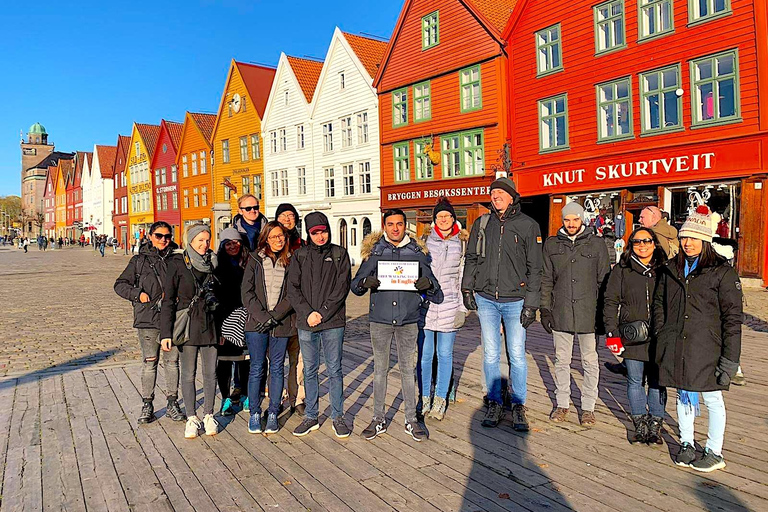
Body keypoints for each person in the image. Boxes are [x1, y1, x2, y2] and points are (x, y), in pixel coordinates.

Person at [653, 205, 742, 472]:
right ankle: (687, 442)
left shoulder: (722, 272)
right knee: (683, 394)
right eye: (684, 237)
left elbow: (732, 319)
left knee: (712, 399)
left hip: (708, 346)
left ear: (705, 240)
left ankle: (714, 450)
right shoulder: (671, 269)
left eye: (693, 238)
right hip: (677, 343)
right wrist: (663, 330)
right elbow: (659, 303)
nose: (688, 243)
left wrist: (730, 359)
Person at [461, 177, 542, 431]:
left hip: (516, 300)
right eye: (493, 193)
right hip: (486, 299)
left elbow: (535, 268)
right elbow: (471, 257)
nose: (495, 196)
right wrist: (467, 287)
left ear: (511, 196)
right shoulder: (482, 223)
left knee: (516, 354)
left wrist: (532, 303)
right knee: (491, 354)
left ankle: (518, 405)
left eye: (500, 193)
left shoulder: (528, 225)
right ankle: (495, 401)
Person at [352, 209, 440, 441]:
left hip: (408, 321)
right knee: (380, 370)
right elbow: (355, 286)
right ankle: (378, 418)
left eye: (399, 224)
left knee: (407, 371)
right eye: (390, 224)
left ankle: (411, 419)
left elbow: (436, 291)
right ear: (385, 226)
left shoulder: (417, 253)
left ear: (405, 225)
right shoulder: (375, 252)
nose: (395, 228)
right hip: (380, 320)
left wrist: (427, 284)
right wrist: (364, 281)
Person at [540, 202, 610, 427]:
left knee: (590, 361)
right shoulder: (552, 245)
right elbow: (546, 279)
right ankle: (562, 403)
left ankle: (588, 406)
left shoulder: (597, 244)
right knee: (562, 360)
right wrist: (545, 309)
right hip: (560, 311)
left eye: (575, 219)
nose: (571, 224)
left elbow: (604, 281)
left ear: (582, 220)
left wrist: (603, 314)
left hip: (588, 312)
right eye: (567, 219)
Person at [287, 212, 352, 438]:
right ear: (309, 233)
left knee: (334, 369)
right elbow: (292, 288)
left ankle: (338, 416)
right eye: (315, 233)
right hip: (307, 322)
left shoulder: (338, 254)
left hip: (332, 321)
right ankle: (311, 415)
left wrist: (322, 313)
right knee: (310, 370)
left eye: (323, 231)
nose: (320, 236)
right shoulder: (300, 256)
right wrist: (307, 313)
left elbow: (342, 288)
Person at [114, 221, 185, 424]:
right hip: (148, 319)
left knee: (172, 362)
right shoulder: (139, 261)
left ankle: (172, 402)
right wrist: (138, 294)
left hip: (172, 318)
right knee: (150, 362)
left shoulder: (178, 259)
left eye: (167, 236)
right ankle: (148, 403)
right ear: (150, 236)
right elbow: (120, 285)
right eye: (159, 236)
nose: (163, 240)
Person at [603, 227, 667, 444]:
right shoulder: (622, 270)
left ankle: (655, 425)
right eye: (637, 242)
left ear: (654, 243)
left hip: (660, 333)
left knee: (658, 381)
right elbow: (610, 302)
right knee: (635, 380)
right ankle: (640, 424)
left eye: (647, 241)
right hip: (632, 333)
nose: (642, 245)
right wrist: (612, 333)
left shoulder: (665, 268)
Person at [161, 224, 220, 439]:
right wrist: (165, 333)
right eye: (200, 241)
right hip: (187, 324)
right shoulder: (178, 263)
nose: (205, 245)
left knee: (210, 373)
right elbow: (168, 300)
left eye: (207, 240)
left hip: (211, 323)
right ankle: (191, 417)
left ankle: (209, 414)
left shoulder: (213, 262)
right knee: (188, 374)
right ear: (190, 242)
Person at [242, 221, 296, 435]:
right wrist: (262, 316)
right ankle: (255, 411)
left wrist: (275, 316)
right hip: (256, 323)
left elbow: (293, 292)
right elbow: (246, 292)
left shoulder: (290, 261)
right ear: (265, 238)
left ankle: (273, 410)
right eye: (273, 237)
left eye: (281, 236)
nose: (278, 240)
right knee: (257, 367)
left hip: (280, 323)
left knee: (276, 367)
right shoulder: (255, 259)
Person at [421, 198, 467, 421]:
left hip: (450, 304)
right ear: (434, 219)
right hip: (427, 306)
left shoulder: (462, 242)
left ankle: (440, 398)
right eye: (440, 216)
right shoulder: (424, 241)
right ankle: (424, 398)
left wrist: (463, 308)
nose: (444, 219)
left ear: (453, 218)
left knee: (445, 354)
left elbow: (463, 278)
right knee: (426, 355)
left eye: (447, 216)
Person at [213, 227, 250, 416]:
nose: (233, 246)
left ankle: (244, 395)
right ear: (222, 245)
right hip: (225, 318)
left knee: (245, 360)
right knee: (225, 361)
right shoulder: (217, 265)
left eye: (236, 242)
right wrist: (218, 328)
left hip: (246, 316)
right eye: (228, 243)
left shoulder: (249, 262)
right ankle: (226, 398)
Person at [275, 203, 306, 415]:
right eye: (283, 215)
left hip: (298, 311)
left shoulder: (301, 245)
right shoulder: (269, 245)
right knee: (274, 361)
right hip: (276, 311)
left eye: (291, 215)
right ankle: (275, 398)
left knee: (299, 359)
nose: (288, 218)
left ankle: (298, 397)